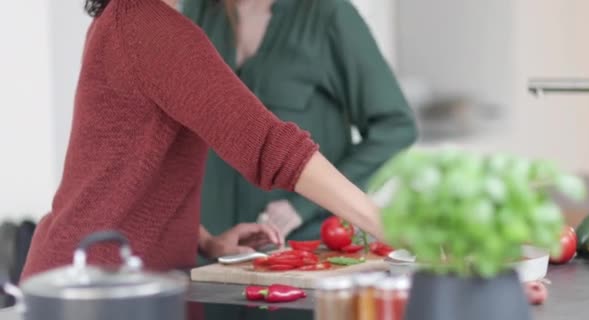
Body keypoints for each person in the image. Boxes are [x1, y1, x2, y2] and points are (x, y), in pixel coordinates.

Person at [20, 0, 384, 280]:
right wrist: (389, 225)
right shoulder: (149, 28)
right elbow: (269, 145)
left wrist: (206, 240)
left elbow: (129, 171)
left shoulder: (124, 19)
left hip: (101, 276)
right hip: (100, 287)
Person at [182, 0, 417, 241]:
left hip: (305, 247)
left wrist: (304, 205)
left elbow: (396, 127)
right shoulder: (192, 13)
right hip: (207, 253)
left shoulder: (329, 14)